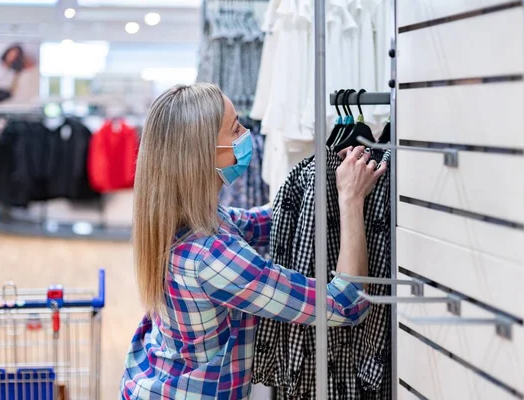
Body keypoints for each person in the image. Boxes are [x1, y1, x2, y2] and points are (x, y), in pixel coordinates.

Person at [120, 83, 387, 399]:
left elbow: (263, 220)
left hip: (153, 379)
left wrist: (317, 180)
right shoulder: (213, 257)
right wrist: (351, 199)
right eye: (235, 130)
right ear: (204, 153)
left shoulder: (183, 222)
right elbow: (345, 304)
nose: (248, 134)